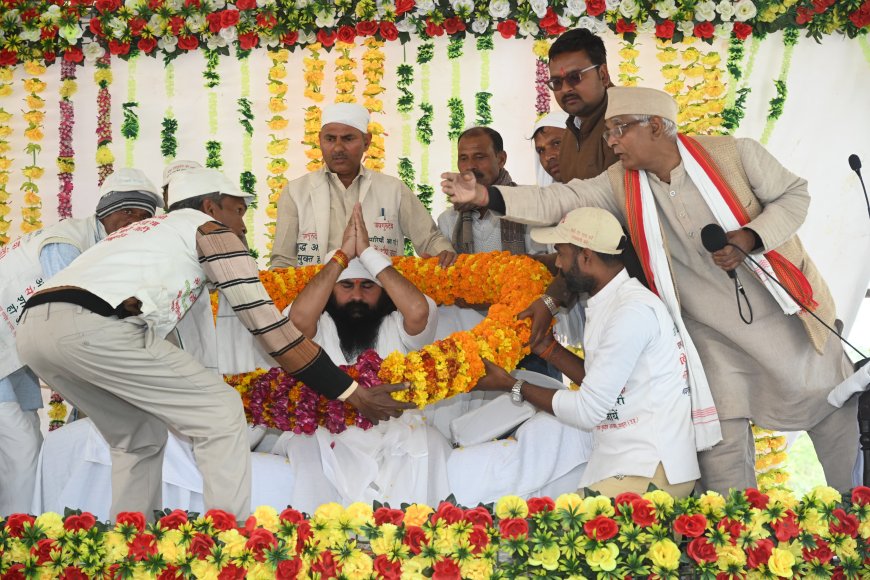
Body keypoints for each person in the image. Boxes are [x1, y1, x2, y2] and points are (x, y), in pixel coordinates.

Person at [442, 86, 857, 494]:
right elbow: (560, 200)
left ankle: (857, 527)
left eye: (620, 129)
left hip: (781, 314)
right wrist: (484, 195)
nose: (612, 142)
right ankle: (737, 547)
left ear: (657, 126)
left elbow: (795, 194)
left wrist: (750, 237)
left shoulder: (735, 154)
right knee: (722, 450)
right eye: (608, 132)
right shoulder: (620, 183)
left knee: (831, 412)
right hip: (709, 335)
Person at [16, 168, 414, 519]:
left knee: (140, 438)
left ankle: (132, 545)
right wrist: (350, 392)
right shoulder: (208, 230)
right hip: (90, 325)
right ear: (211, 205)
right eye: (238, 211)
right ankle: (227, 542)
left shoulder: (148, 234)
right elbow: (271, 331)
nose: (242, 227)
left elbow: (174, 342)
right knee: (223, 411)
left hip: (33, 332)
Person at [475, 207, 699, 497]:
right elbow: (602, 383)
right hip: (631, 465)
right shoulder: (612, 301)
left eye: (562, 254)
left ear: (586, 257)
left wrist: (512, 384)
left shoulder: (630, 312)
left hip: (648, 471)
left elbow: (588, 410)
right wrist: (546, 348)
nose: (557, 263)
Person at [0, 167, 162, 516]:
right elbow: (72, 326)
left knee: (25, 443)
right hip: (6, 349)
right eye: (130, 212)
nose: (136, 223)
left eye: (144, 217)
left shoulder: (100, 248)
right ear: (108, 211)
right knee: (22, 450)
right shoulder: (67, 245)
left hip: (12, 355)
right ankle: (18, 543)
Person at [278, 203, 450, 507]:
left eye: (367, 286)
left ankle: (414, 538)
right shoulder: (322, 327)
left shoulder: (396, 325)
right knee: (304, 446)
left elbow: (420, 310)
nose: (357, 295)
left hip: (395, 427)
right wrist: (342, 256)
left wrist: (369, 254)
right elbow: (296, 322)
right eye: (346, 286)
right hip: (326, 429)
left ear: (383, 291)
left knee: (431, 442)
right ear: (331, 289)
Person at [270, 103, 454, 269]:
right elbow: (283, 262)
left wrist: (443, 253)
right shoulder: (295, 192)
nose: (338, 148)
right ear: (320, 140)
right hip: (317, 298)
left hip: (381, 297)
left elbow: (429, 239)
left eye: (348, 138)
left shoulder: (393, 189)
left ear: (366, 141)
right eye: (330, 139)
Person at [438, 127, 547, 256]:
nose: (470, 166)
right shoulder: (448, 220)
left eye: (479, 157)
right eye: (463, 158)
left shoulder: (530, 206)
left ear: (501, 159)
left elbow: (541, 267)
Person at [546, 28, 618, 183]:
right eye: (557, 82)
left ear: (603, 75)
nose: (565, 89)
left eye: (575, 77)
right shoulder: (572, 130)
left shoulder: (626, 123)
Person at [532, 111, 569, 185]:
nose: (547, 157)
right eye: (541, 151)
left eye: (557, 143)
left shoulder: (598, 189)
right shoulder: (538, 196)